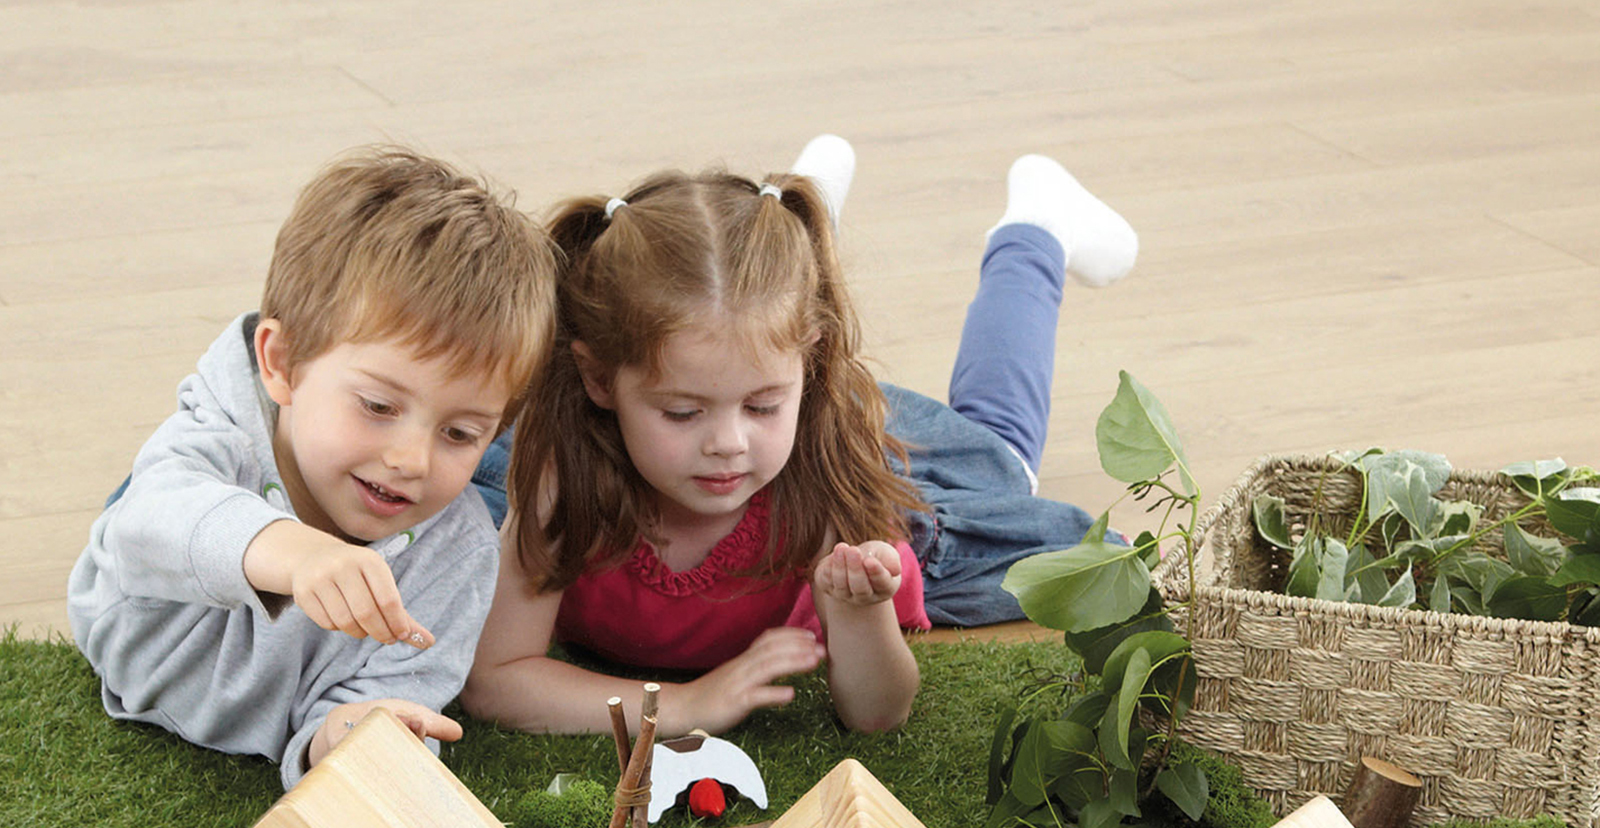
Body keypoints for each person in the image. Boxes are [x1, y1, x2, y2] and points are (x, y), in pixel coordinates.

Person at [464, 138, 1137, 739]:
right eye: (682, 413)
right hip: (776, 383)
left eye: (759, 406)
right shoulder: (561, 477)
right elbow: (496, 679)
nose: (728, 443)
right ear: (598, 380)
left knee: (1005, 462)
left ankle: (1036, 227)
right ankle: (803, 243)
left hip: (837, 437)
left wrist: (859, 616)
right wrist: (688, 703)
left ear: (808, 365)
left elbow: (878, 714)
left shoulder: (829, 488)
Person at [68, 147, 557, 787]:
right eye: (378, 406)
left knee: (481, 499)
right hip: (179, 553)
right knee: (161, 500)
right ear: (281, 363)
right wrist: (294, 552)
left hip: (422, 522)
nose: (410, 459)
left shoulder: (460, 553)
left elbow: (388, 700)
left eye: (459, 431)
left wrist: (348, 737)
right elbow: (142, 533)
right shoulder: (221, 434)